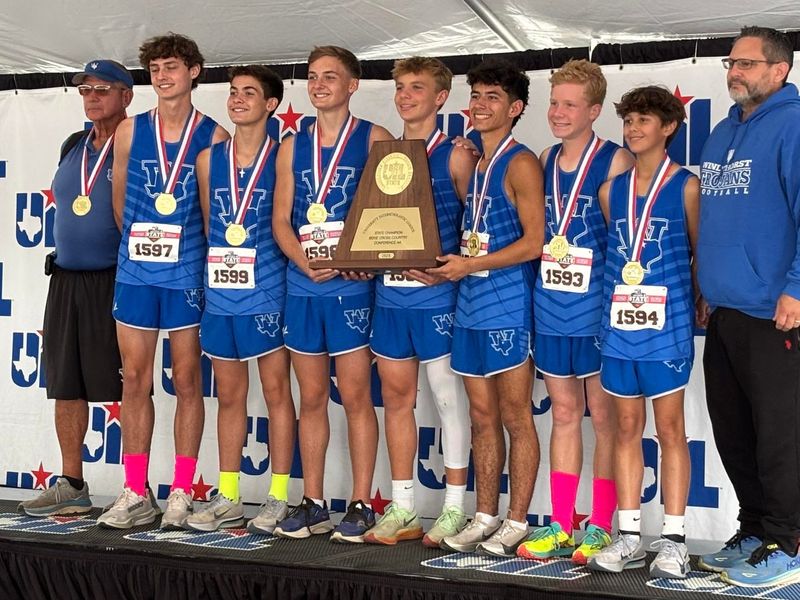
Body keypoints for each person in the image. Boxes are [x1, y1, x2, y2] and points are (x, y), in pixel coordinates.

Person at [99, 33, 228, 530]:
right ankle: (135, 490)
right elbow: (117, 203)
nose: (162, 76)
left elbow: (220, 210)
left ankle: (180, 490)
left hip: (187, 273)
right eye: (154, 68)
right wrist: (140, 246)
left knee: (188, 380)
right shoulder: (130, 131)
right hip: (136, 273)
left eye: (171, 66)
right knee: (134, 379)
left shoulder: (213, 136)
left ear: (194, 71)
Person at [272, 45, 393, 543]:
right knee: (312, 397)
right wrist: (306, 262)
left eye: (330, 76)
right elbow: (282, 220)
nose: (319, 84)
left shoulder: (375, 139)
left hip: (350, 288)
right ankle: (314, 500)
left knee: (358, 396)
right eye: (312, 76)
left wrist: (354, 262)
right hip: (303, 286)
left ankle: (362, 501)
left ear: (353, 84)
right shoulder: (290, 144)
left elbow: (392, 218)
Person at [696, 26, 800, 588]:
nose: (734, 71)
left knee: (780, 436)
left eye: (745, 63)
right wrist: (707, 284)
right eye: (730, 62)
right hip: (727, 310)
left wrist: (797, 287)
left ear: (779, 70)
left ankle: (789, 541)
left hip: (775, 312)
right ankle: (757, 529)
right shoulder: (720, 132)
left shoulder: (794, 125)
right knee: (734, 433)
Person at [518, 60, 633, 564]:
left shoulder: (616, 161)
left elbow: (625, 242)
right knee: (563, 414)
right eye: (554, 102)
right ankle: (562, 523)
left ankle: (602, 525)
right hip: (551, 306)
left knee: (604, 420)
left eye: (569, 104)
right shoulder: (542, 158)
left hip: (595, 310)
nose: (558, 112)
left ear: (594, 110)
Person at [432, 59, 544, 558]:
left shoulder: (521, 162)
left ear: (515, 108)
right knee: (481, 417)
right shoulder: (473, 159)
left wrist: (467, 265)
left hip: (507, 305)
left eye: (492, 97)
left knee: (515, 416)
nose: (480, 104)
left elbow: (535, 242)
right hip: (471, 304)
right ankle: (484, 514)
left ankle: (517, 520)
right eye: (475, 95)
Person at [587, 86, 699, 579]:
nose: (633, 130)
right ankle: (629, 534)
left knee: (670, 430)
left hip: (667, 326)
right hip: (618, 326)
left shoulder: (687, 187)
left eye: (644, 121)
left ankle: (673, 539)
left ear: (669, 127)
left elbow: (697, 252)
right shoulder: (612, 191)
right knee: (625, 430)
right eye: (628, 121)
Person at [363, 57, 474, 547]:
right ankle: (403, 507)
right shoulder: (384, 153)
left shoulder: (456, 154)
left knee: (449, 401)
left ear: (440, 98)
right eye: (401, 88)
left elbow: (477, 232)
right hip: (389, 296)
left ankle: (452, 510)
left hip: (438, 297)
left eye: (417, 88)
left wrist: (448, 266)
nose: (406, 96)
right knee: (396, 401)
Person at [182, 65, 296, 533]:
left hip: (268, 289)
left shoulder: (285, 156)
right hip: (222, 292)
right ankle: (228, 494)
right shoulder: (210, 159)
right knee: (229, 395)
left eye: (250, 93)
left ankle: (278, 497)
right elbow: (213, 225)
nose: (238, 99)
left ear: (271, 104)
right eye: (233, 92)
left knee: (276, 395)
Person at [18, 60, 133, 517]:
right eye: (85, 89)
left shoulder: (136, 144)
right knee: (67, 383)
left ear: (126, 95)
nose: (91, 97)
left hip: (117, 279)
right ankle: (72, 483)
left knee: (131, 383)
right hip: (66, 280)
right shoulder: (73, 144)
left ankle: (135, 489)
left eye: (102, 89)